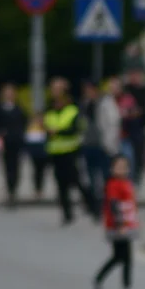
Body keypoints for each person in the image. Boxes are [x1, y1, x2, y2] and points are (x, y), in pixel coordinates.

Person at [46, 77, 97, 224]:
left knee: (78, 182)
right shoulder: (50, 109)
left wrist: (58, 132)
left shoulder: (73, 108)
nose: (54, 92)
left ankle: (93, 207)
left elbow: (78, 128)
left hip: (71, 151)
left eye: (57, 89)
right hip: (56, 152)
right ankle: (67, 213)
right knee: (61, 184)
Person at [93, 154, 139, 289]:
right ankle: (123, 286)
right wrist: (119, 224)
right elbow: (113, 205)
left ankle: (105, 281)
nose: (122, 170)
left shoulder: (127, 182)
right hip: (117, 226)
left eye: (124, 167)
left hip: (127, 224)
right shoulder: (113, 184)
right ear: (112, 168)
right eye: (118, 167)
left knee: (123, 257)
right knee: (121, 257)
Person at [0, 83, 26, 207]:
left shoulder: (18, 109)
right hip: (4, 142)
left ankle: (13, 189)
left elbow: (23, 123)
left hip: (16, 141)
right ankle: (9, 188)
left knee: (16, 166)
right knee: (7, 166)